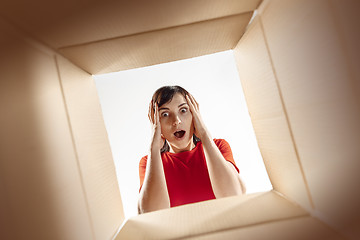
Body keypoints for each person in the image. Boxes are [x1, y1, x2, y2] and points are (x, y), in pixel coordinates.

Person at [138, 86, 246, 214]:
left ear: (194, 114)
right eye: (165, 114)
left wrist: (204, 134)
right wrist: (153, 149)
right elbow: (150, 214)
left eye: (183, 110)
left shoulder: (219, 146)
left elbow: (234, 195)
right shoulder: (149, 162)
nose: (176, 121)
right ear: (156, 122)